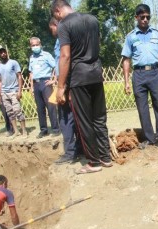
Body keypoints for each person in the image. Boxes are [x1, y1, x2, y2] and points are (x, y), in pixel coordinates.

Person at [51, 0, 112, 174]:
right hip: (96, 73)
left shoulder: (64, 25)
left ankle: (93, 162)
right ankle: (105, 157)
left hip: (79, 77)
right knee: (99, 118)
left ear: (57, 10)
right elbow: (97, 45)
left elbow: (65, 56)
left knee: (84, 121)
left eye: (55, 16)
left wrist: (61, 86)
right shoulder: (92, 19)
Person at [121, 4, 158, 150]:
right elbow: (126, 59)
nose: (145, 20)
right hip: (138, 75)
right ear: (136, 17)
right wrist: (126, 82)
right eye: (142, 17)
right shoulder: (130, 37)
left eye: (147, 17)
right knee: (142, 109)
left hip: (155, 73)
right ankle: (149, 138)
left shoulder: (156, 34)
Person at [49, 17, 82, 164]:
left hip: (67, 84)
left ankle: (70, 153)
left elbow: (66, 60)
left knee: (65, 119)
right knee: (75, 118)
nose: (52, 31)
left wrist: (63, 87)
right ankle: (80, 148)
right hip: (69, 82)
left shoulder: (63, 40)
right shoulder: (66, 39)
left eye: (51, 28)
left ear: (55, 25)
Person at [28, 37, 59, 139]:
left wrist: (54, 80)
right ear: (30, 46)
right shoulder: (31, 58)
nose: (35, 47)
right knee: (40, 108)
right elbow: (31, 73)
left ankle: (55, 129)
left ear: (40, 44)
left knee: (51, 106)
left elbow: (55, 66)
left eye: (37, 45)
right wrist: (31, 87)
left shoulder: (46, 55)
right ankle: (43, 130)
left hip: (45, 83)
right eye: (33, 45)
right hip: (36, 84)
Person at [0, 46, 27, 138]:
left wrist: (19, 91)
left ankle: (24, 131)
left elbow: (19, 76)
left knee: (17, 111)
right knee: (10, 112)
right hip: (4, 93)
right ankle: (16, 131)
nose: (3, 54)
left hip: (14, 91)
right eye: (1, 53)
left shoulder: (13, 62)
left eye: (4, 52)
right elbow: (0, 81)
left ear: (6, 52)